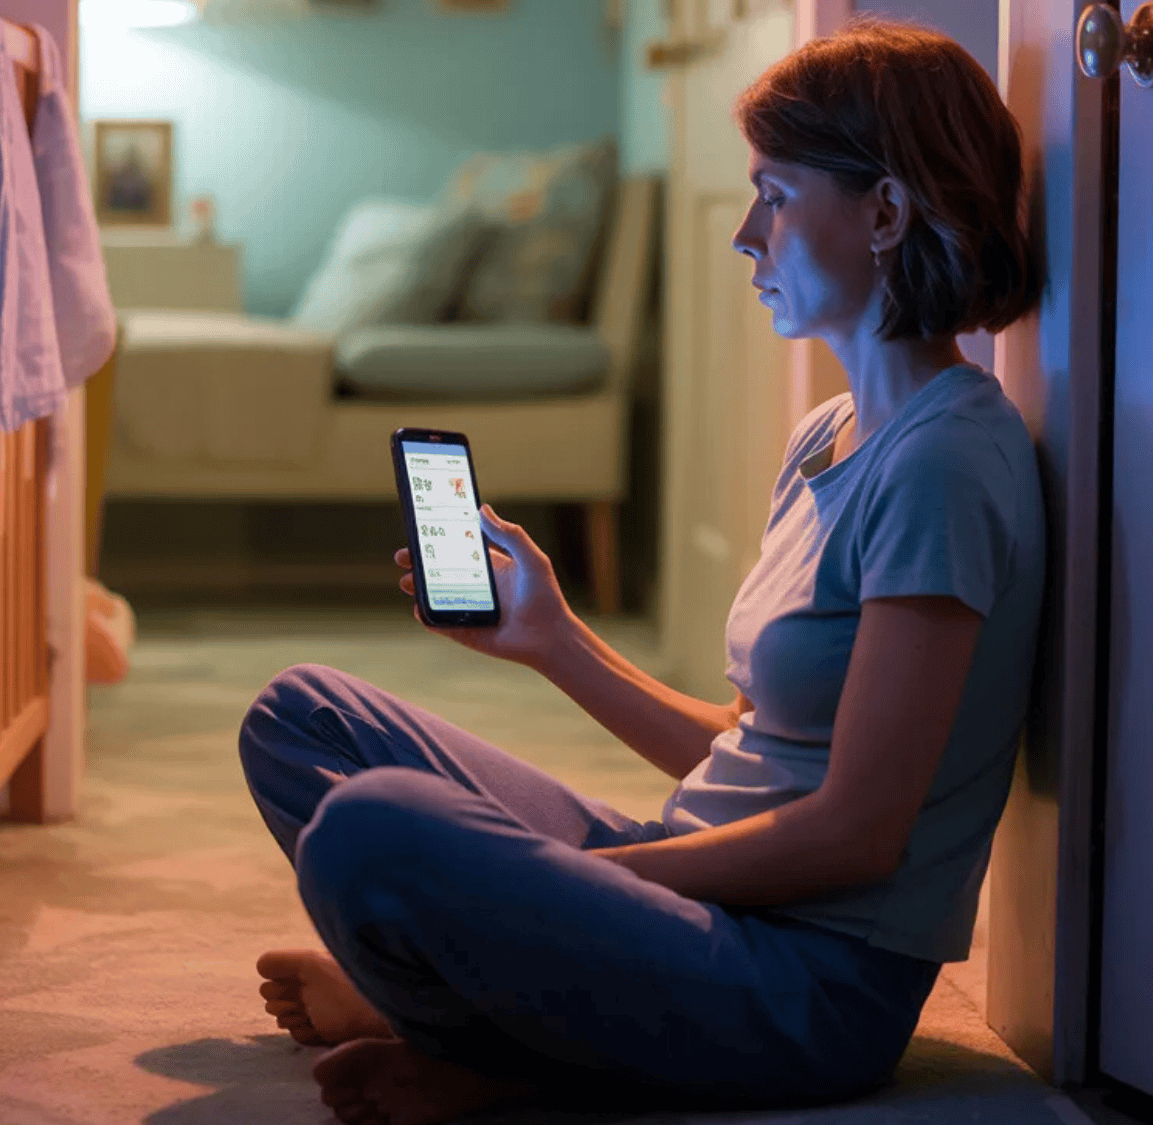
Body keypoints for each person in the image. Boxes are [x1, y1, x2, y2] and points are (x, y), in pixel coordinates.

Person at [237, 16, 1046, 1125]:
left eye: (774, 192)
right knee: (300, 717)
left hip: (807, 984)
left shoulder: (945, 463)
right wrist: (555, 643)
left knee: (375, 830)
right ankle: (488, 1012)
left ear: (885, 213)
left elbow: (858, 831)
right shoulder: (828, 435)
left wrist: (574, 885)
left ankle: (492, 1052)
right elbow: (756, 746)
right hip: (700, 878)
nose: (745, 234)